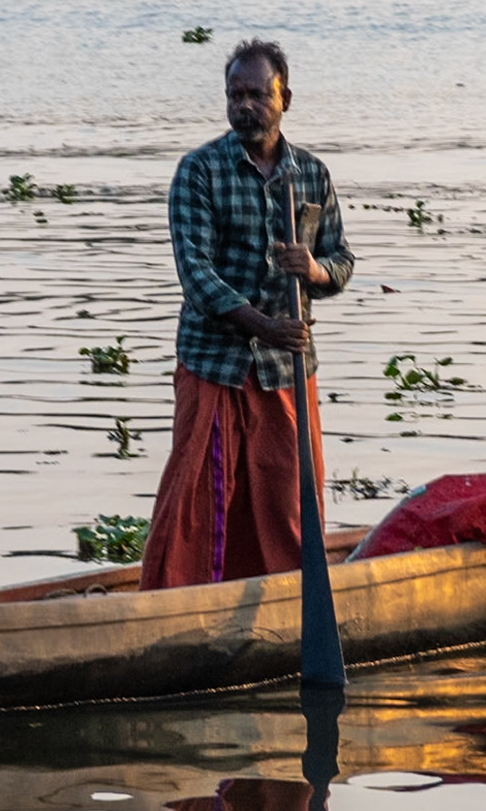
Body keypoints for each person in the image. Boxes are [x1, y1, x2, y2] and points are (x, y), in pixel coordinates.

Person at [139, 38, 355, 590]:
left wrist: (313, 271)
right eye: (236, 94)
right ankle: (177, 605)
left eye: (259, 94)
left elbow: (341, 261)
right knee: (195, 507)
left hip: (285, 372)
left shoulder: (311, 175)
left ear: (285, 99)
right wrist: (265, 326)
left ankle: (290, 605)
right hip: (214, 363)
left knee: (287, 508)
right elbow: (198, 279)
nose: (246, 106)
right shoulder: (199, 172)